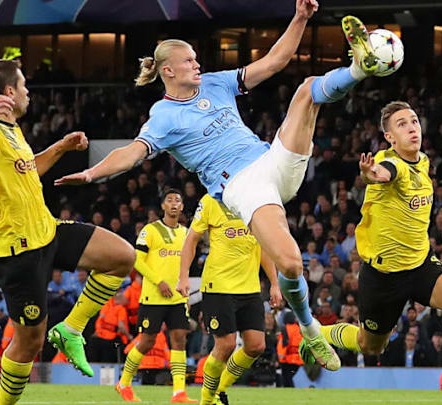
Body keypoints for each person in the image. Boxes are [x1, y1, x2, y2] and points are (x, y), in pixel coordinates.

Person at [55, 0, 381, 372]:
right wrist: (92, 173)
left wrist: (300, 18)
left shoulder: (216, 83)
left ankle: (359, 67)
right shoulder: (163, 117)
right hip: (243, 187)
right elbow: (132, 153)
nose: (197, 64)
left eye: (196, 59)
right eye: (190, 60)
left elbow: (274, 62)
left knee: (307, 90)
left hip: (272, 160)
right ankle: (311, 332)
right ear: (168, 70)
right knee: (290, 264)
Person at [0, 59, 135, 405]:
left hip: (46, 231)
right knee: (29, 344)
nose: (28, 94)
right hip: (16, 251)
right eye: (24, 87)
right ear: (8, 92)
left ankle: (71, 329)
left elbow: (28, 169)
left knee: (122, 257)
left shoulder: (11, 129)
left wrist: (62, 147)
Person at [301, 101, 442, 405]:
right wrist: (370, 174)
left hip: (419, 264)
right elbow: (382, 173)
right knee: (370, 345)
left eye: (414, 120)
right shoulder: (390, 163)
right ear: (389, 137)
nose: (411, 127)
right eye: (401, 124)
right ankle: (320, 335)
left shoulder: (424, 162)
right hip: (383, 275)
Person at [178, 193, 282, 405]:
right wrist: (183, 276)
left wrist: (274, 283)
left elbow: (263, 247)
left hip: (250, 288)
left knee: (256, 346)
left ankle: (220, 389)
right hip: (218, 286)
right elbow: (191, 240)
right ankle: (207, 400)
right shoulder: (210, 201)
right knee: (226, 345)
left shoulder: (254, 198)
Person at [116, 189, 197, 403]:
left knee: (179, 339)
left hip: (177, 297)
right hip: (153, 297)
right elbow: (137, 260)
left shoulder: (186, 233)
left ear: (181, 207)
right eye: (169, 200)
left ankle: (179, 392)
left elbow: (186, 263)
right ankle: (124, 383)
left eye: (177, 201)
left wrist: (185, 283)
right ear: (162, 206)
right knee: (147, 341)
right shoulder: (150, 230)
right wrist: (158, 281)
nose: (173, 204)